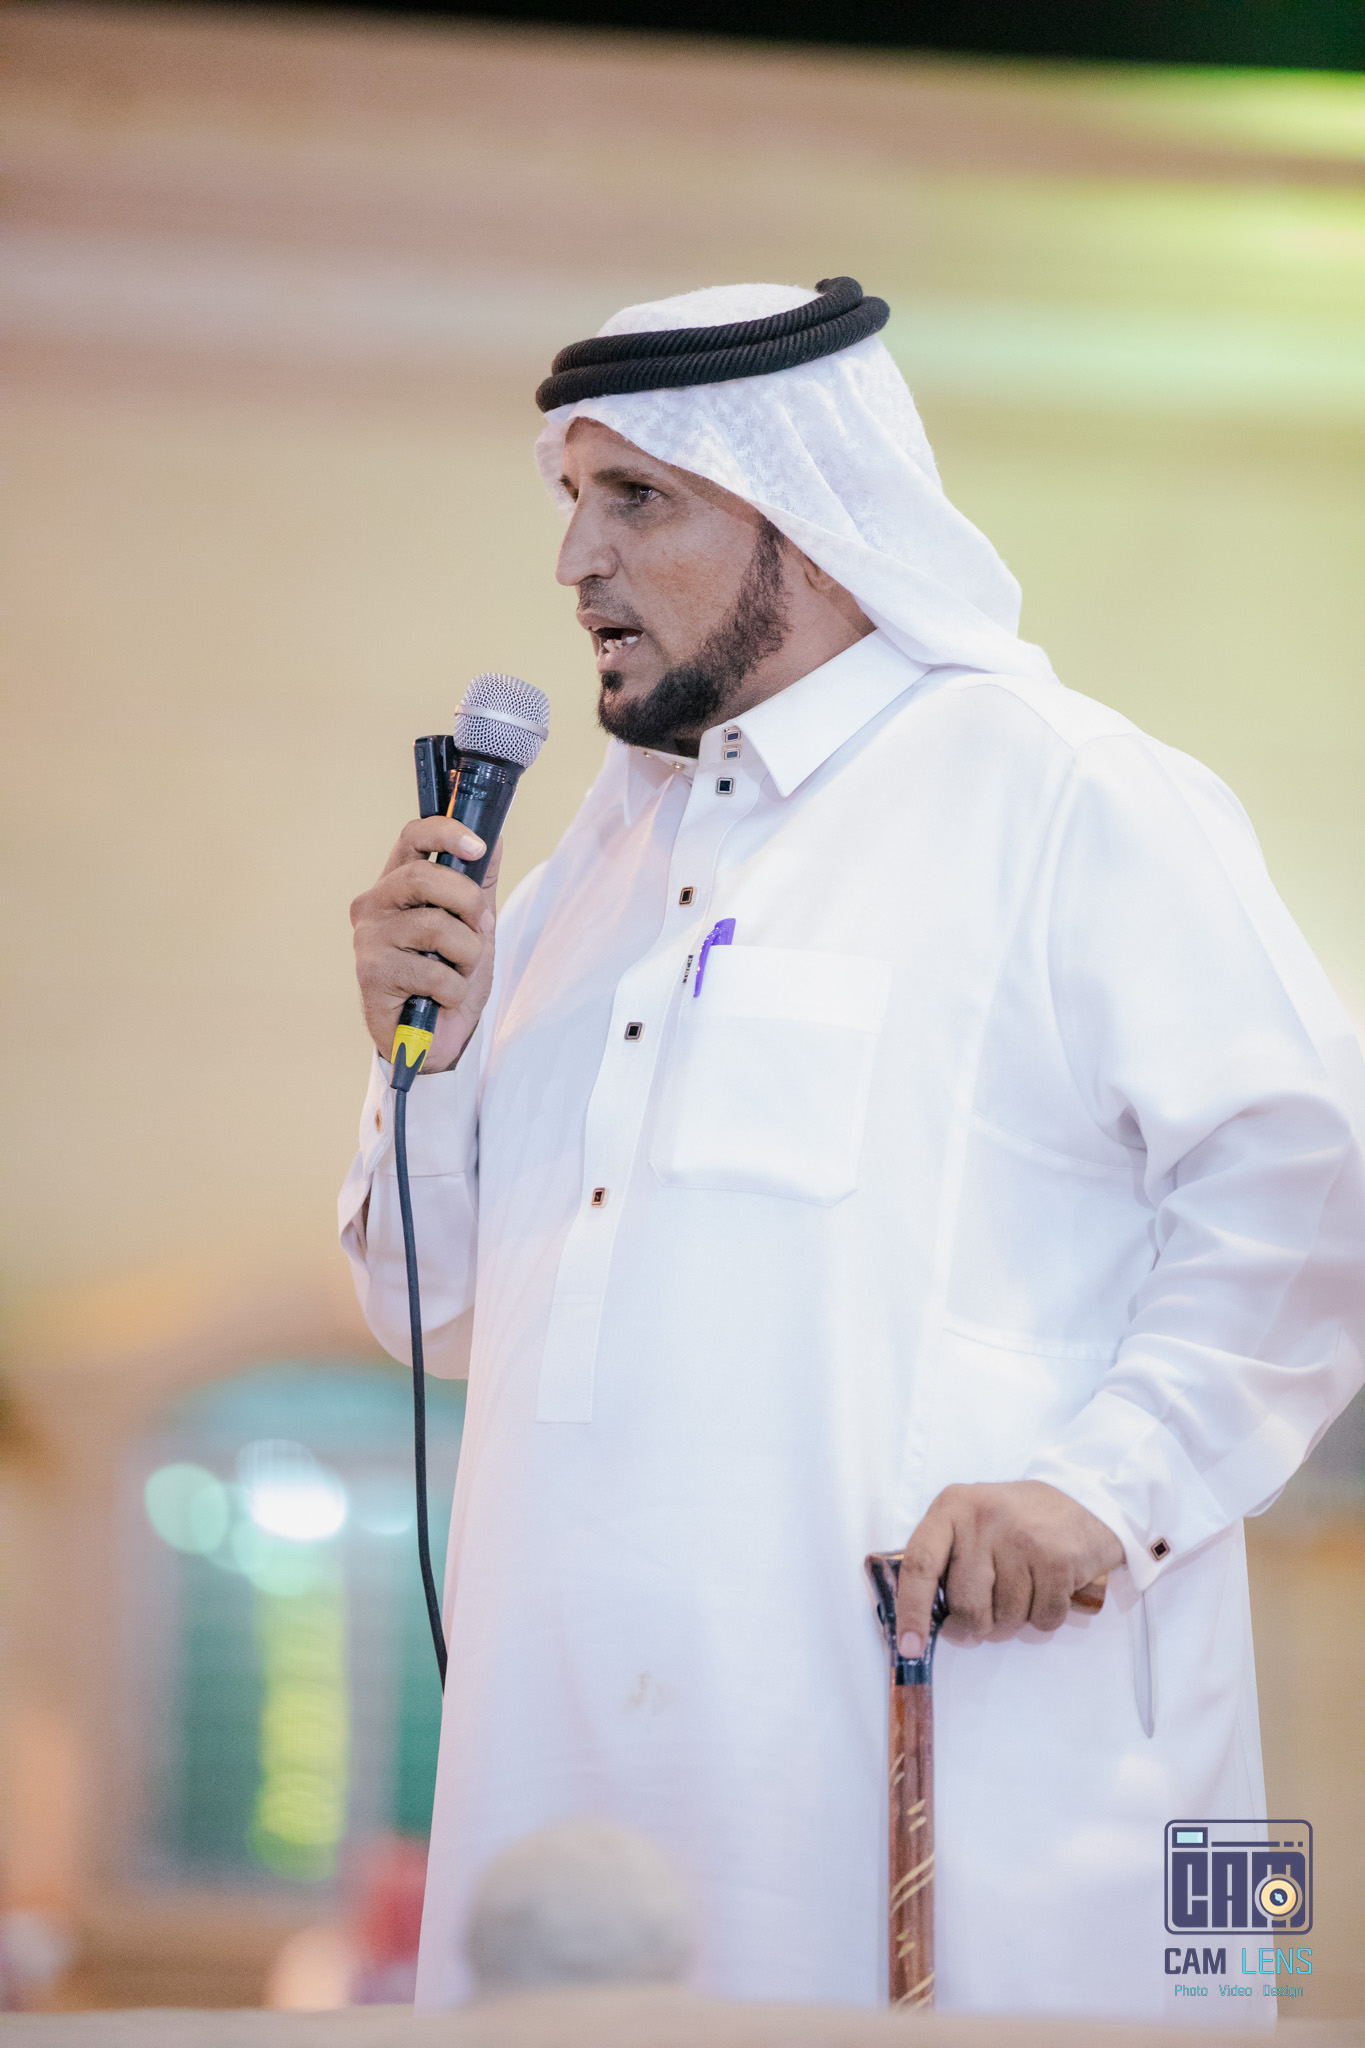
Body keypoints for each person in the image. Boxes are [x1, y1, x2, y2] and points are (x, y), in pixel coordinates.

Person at [339, 279, 1365, 2020]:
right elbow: (422, 1311)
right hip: (569, 1767)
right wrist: (413, 1062)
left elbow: (1307, 1186)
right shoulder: (585, 871)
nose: (575, 562)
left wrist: (1106, 1486)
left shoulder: (1059, 789)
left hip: (967, 1754)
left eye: (637, 499)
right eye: (570, 500)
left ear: (805, 519)